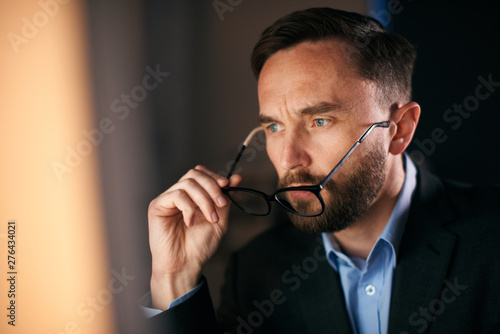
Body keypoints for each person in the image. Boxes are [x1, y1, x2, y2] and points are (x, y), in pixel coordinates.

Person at [141, 7, 500, 334]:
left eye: (319, 120)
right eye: (274, 127)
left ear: (400, 129)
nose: (288, 158)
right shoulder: (256, 272)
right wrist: (173, 278)